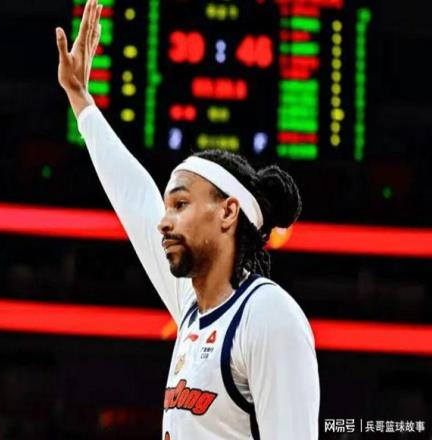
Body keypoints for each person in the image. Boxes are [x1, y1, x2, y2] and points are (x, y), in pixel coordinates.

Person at [55, 1, 320, 438]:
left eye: (180, 205)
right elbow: (134, 197)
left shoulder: (268, 315)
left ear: (228, 211)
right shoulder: (193, 308)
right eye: (167, 208)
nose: (163, 222)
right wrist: (81, 100)